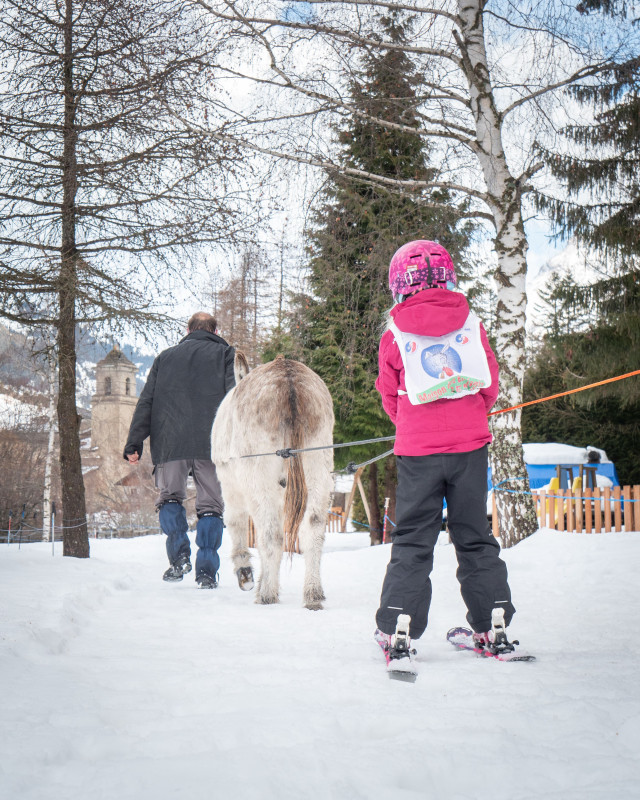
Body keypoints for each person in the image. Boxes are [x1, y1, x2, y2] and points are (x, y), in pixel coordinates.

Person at [373, 240, 516, 661]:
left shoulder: (394, 334)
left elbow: (389, 395)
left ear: (399, 284)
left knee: (414, 538)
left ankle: (399, 626)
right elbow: (489, 384)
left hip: (417, 453)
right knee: (474, 534)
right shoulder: (471, 324)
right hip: (470, 448)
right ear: (449, 277)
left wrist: (414, 427)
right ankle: (494, 624)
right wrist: (470, 418)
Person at [123, 311, 235, 588]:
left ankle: (179, 557)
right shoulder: (226, 355)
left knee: (170, 498)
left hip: (170, 443)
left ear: (188, 330)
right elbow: (236, 400)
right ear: (215, 332)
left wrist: (134, 443)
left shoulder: (165, 358)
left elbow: (146, 402)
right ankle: (207, 572)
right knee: (211, 507)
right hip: (212, 445)